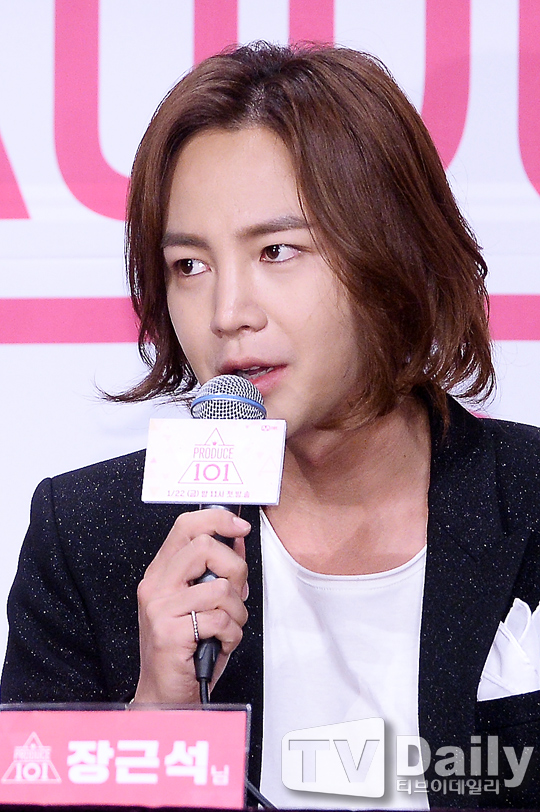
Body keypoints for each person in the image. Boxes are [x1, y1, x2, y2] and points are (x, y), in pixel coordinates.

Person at [2, 42, 540, 809]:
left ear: (396, 254)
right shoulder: (90, 537)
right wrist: (158, 721)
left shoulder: (529, 497)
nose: (227, 314)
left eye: (277, 251)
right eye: (190, 266)